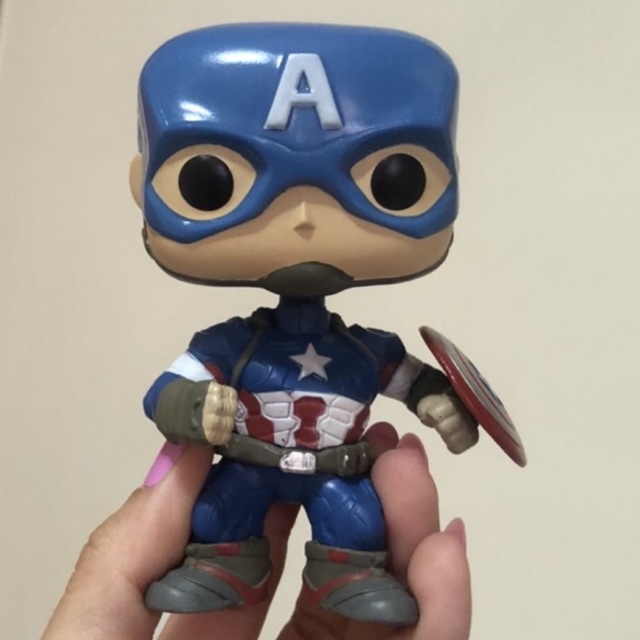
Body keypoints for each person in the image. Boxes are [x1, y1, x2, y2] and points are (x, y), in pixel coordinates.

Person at [41, 424, 471, 640]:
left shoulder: (361, 347)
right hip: (250, 464)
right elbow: (170, 390)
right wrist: (192, 406)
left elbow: (409, 376)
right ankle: (224, 569)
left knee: (360, 525)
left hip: (331, 471)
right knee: (214, 514)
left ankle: (349, 578)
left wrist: (443, 397)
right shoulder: (236, 343)